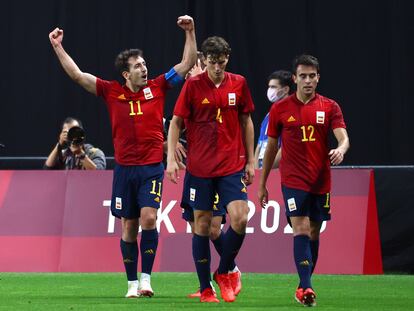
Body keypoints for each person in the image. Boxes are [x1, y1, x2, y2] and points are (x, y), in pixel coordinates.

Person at [48, 15, 196, 298]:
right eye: (137, 66)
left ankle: (146, 280)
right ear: (126, 74)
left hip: (151, 168)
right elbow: (78, 75)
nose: (144, 68)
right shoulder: (111, 91)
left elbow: (186, 64)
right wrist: (58, 47)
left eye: (144, 64)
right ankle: (130, 285)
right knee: (129, 227)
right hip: (125, 170)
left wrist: (190, 32)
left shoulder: (158, 86)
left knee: (150, 219)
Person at [166, 36, 255, 303]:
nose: (217, 66)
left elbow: (247, 121)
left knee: (240, 218)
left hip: (230, 165)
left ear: (228, 58)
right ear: (204, 60)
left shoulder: (238, 83)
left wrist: (251, 160)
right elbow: (175, 123)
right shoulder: (192, 85)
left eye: (222, 61)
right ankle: (206, 288)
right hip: (200, 168)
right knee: (202, 225)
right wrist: (171, 158)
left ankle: (225, 270)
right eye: (213, 61)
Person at [258, 54, 350, 307]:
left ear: (318, 78)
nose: (308, 80)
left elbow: (343, 137)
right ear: (296, 78)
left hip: (320, 180)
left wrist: (341, 149)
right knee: (299, 228)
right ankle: (307, 287)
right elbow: (271, 149)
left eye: (312, 76)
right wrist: (263, 183)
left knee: (313, 231)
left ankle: (303, 284)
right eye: (303, 76)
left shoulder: (329, 106)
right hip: (292, 178)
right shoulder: (280, 109)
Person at [254, 70, 293, 169]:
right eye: (269, 87)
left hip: (277, 170)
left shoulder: (291, 115)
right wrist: (257, 171)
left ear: (285, 90)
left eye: (273, 87)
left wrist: (268, 169)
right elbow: (259, 145)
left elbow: (286, 148)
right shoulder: (269, 115)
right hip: (263, 169)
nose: (270, 90)